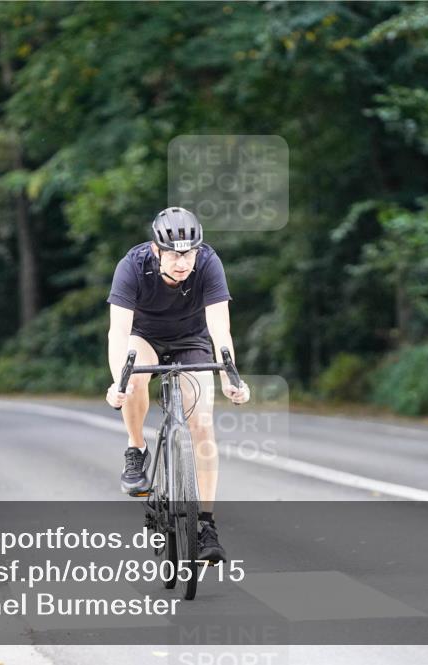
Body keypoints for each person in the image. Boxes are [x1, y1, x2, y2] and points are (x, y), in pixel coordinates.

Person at [105, 207, 250, 563]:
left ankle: (206, 525)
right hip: (145, 337)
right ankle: (136, 449)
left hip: (191, 340)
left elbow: (220, 328)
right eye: (173, 254)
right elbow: (118, 332)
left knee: (202, 423)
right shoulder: (132, 266)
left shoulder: (209, 263)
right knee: (134, 372)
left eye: (189, 253)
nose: (183, 262)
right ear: (156, 250)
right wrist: (117, 383)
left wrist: (230, 376)